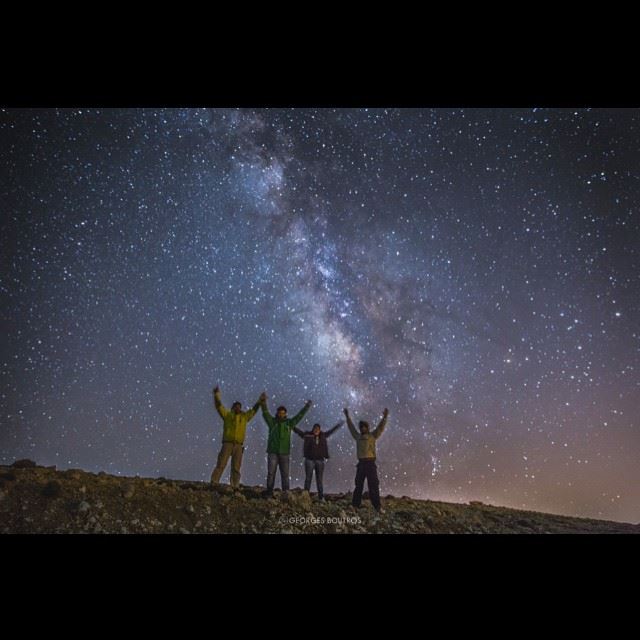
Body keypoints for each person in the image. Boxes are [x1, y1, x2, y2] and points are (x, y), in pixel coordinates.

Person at [210, 385, 262, 489]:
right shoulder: (228, 415)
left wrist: (259, 402)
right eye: (236, 406)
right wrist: (216, 395)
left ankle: (234, 485)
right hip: (228, 443)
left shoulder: (244, 417)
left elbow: (253, 411)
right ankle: (214, 482)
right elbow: (219, 406)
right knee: (221, 463)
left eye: (239, 406)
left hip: (238, 445)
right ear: (233, 408)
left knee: (236, 467)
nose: (238, 408)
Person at [260, 394, 312, 497]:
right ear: (277, 413)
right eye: (280, 413)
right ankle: (269, 492)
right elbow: (265, 413)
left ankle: (286, 493)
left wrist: (306, 407)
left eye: (283, 413)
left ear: (285, 414)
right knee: (271, 473)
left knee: (285, 475)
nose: (281, 415)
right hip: (273, 452)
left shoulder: (289, 423)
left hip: (284, 453)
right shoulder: (272, 423)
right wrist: (263, 402)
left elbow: (299, 416)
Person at [343, 406, 389, 513]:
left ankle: (377, 506)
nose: (363, 428)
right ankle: (355, 505)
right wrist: (347, 416)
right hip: (361, 463)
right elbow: (351, 427)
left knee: (373, 484)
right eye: (361, 427)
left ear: (367, 428)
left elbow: (380, 428)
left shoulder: (373, 436)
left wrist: (385, 417)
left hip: (370, 463)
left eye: (365, 427)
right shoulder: (357, 436)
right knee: (358, 484)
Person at [293, 420, 343, 501]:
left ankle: (321, 497)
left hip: (320, 461)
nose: (316, 430)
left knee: (319, 479)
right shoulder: (308, 435)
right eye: (315, 429)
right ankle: (306, 496)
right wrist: (292, 426)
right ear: (313, 429)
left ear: (320, 430)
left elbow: (331, 431)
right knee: (308, 478)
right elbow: (299, 432)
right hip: (309, 460)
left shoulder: (323, 436)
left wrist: (338, 425)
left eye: (318, 429)